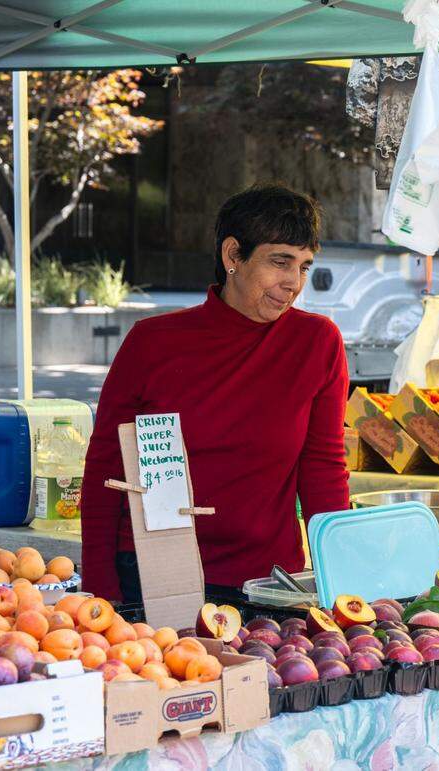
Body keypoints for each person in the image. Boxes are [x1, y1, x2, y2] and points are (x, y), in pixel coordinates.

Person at [80, 184, 350, 601]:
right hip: (153, 578)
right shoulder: (151, 342)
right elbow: (105, 470)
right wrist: (101, 588)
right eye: (280, 262)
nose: (293, 283)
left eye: (304, 267)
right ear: (232, 256)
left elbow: (323, 470)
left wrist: (343, 582)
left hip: (266, 583)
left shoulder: (318, 342)